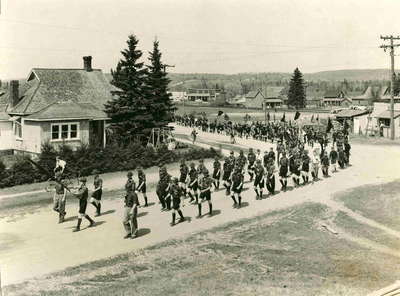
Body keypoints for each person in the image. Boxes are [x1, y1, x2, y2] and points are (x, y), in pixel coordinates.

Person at [123, 171, 139, 239]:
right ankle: (129, 231)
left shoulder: (133, 193)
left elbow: (135, 203)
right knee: (124, 221)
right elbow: (126, 199)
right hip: (127, 207)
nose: (126, 188)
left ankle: (134, 233)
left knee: (133, 220)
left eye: (127, 187)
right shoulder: (127, 193)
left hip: (133, 208)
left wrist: (132, 210)